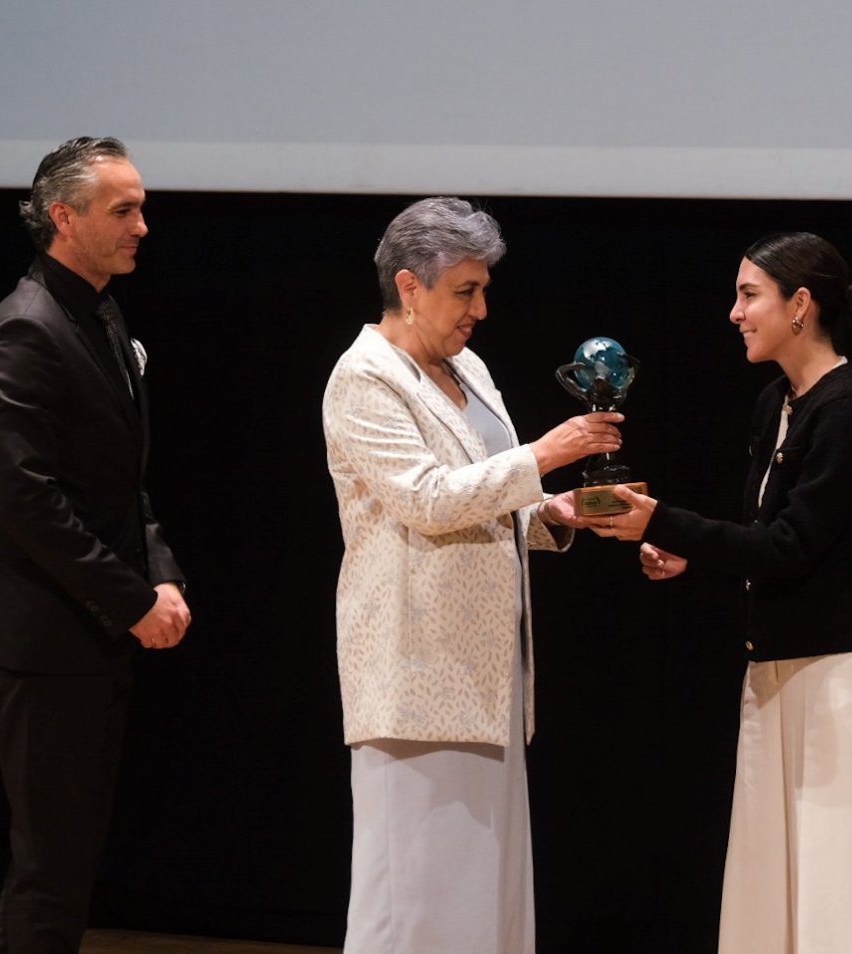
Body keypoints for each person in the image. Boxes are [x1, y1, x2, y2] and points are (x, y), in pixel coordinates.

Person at [589, 232, 852, 954]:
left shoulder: (849, 412)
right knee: (769, 870)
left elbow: (791, 547)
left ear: (801, 306)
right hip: (778, 663)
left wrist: (662, 519)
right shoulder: (778, 401)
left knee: (839, 876)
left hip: (845, 673)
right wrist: (689, 554)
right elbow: (765, 534)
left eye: (749, 295)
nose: (734, 313)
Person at [321, 196, 623, 954]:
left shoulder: (468, 369)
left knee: (483, 901)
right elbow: (425, 499)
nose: (481, 309)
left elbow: (491, 496)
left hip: (487, 679)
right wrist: (544, 457)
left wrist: (556, 514)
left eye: (484, 289)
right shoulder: (364, 378)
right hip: (415, 675)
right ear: (409, 286)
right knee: (414, 904)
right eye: (466, 291)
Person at [0, 136, 192, 952]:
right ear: (63, 217)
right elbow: (27, 501)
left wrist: (161, 577)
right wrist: (131, 599)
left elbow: (124, 478)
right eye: (123, 210)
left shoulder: (96, 310)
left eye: (142, 208)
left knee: (70, 859)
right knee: (49, 866)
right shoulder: (23, 331)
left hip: (88, 630)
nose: (141, 227)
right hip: (42, 638)